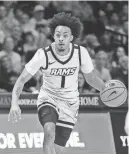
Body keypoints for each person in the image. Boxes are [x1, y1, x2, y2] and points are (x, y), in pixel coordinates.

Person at [8, 12, 105, 154]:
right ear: (53, 36)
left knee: (58, 150)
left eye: (65, 35)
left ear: (71, 38)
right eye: (58, 35)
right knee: (49, 131)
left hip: (70, 103)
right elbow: (21, 80)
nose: (61, 38)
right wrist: (14, 104)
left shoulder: (81, 53)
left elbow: (90, 79)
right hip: (49, 98)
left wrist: (105, 88)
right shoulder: (43, 54)